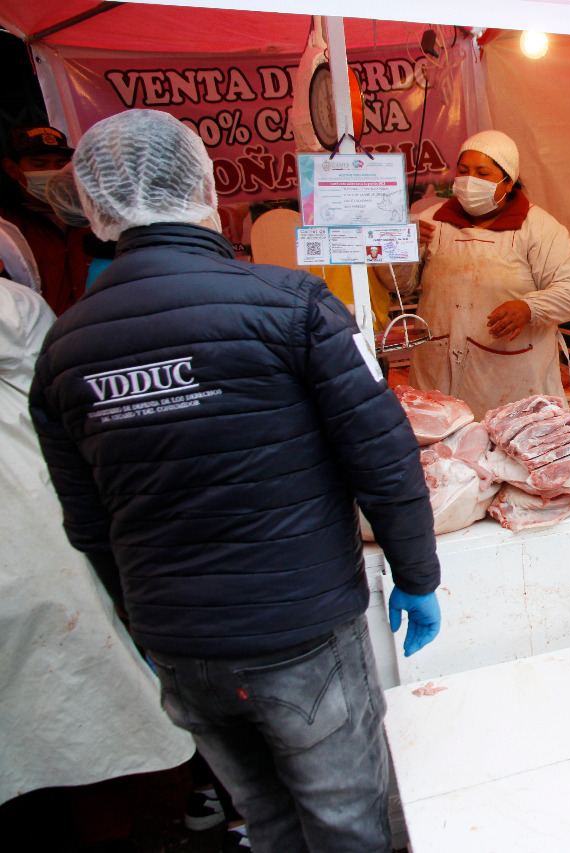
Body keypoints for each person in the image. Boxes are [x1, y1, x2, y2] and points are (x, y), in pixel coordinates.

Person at [29, 109, 442, 853]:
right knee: (350, 820)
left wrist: (143, 620)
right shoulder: (290, 305)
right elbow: (380, 452)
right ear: (205, 186)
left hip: (181, 646)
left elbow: (87, 520)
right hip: (300, 631)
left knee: (268, 818)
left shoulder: (65, 344)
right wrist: (416, 571)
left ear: (94, 206)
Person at [0, 223, 195, 817]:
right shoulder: (21, 312)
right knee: (87, 664)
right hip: (34, 512)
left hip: (43, 511)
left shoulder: (47, 319)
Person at [409, 130, 570, 414]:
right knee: (444, 455)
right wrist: (401, 249)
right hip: (438, 378)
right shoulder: (431, 221)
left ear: (508, 182)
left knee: (511, 450)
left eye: (483, 173)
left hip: (513, 383)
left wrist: (529, 308)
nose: (470, 181)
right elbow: (400, 286)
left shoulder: (538, 228)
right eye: (464, 171)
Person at [0, 125, 92, 315]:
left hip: (95, 328)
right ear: (12, 168)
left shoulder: (92, 213)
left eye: (60, 164)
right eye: (39, 164)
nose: (52, 172)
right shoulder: (5, 225)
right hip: (39, 334)